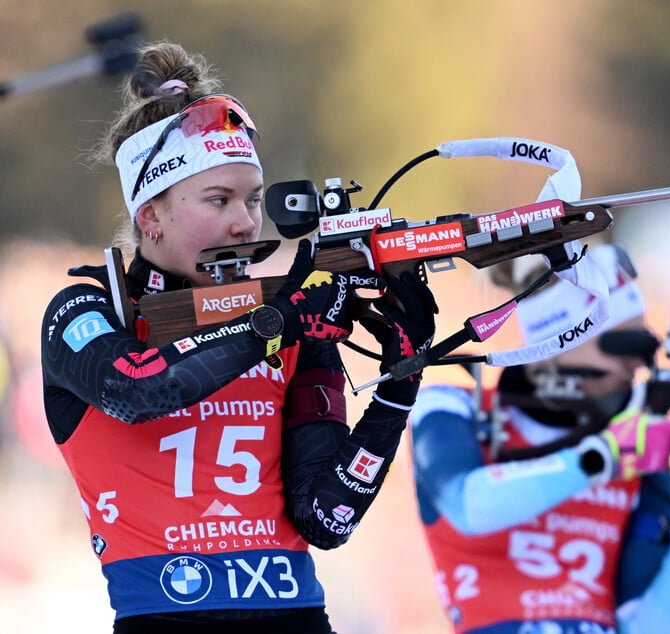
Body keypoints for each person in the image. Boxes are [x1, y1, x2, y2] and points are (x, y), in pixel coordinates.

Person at [40, 41, 437, 633]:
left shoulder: (289, 316)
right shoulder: (89, 308)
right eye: (218, 200)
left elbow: (327, 518)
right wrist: (277, 324)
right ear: (150, 215)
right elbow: (139, 389)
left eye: (252, 200)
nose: (245, 223)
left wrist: (399, 385)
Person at [409, 242, 670, 634]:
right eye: (619, 343)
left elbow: (650, 627)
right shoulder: (453, 405)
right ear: (559, 337)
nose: (636, 362)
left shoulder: (635, 445)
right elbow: (467, 505)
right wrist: (601, 458)